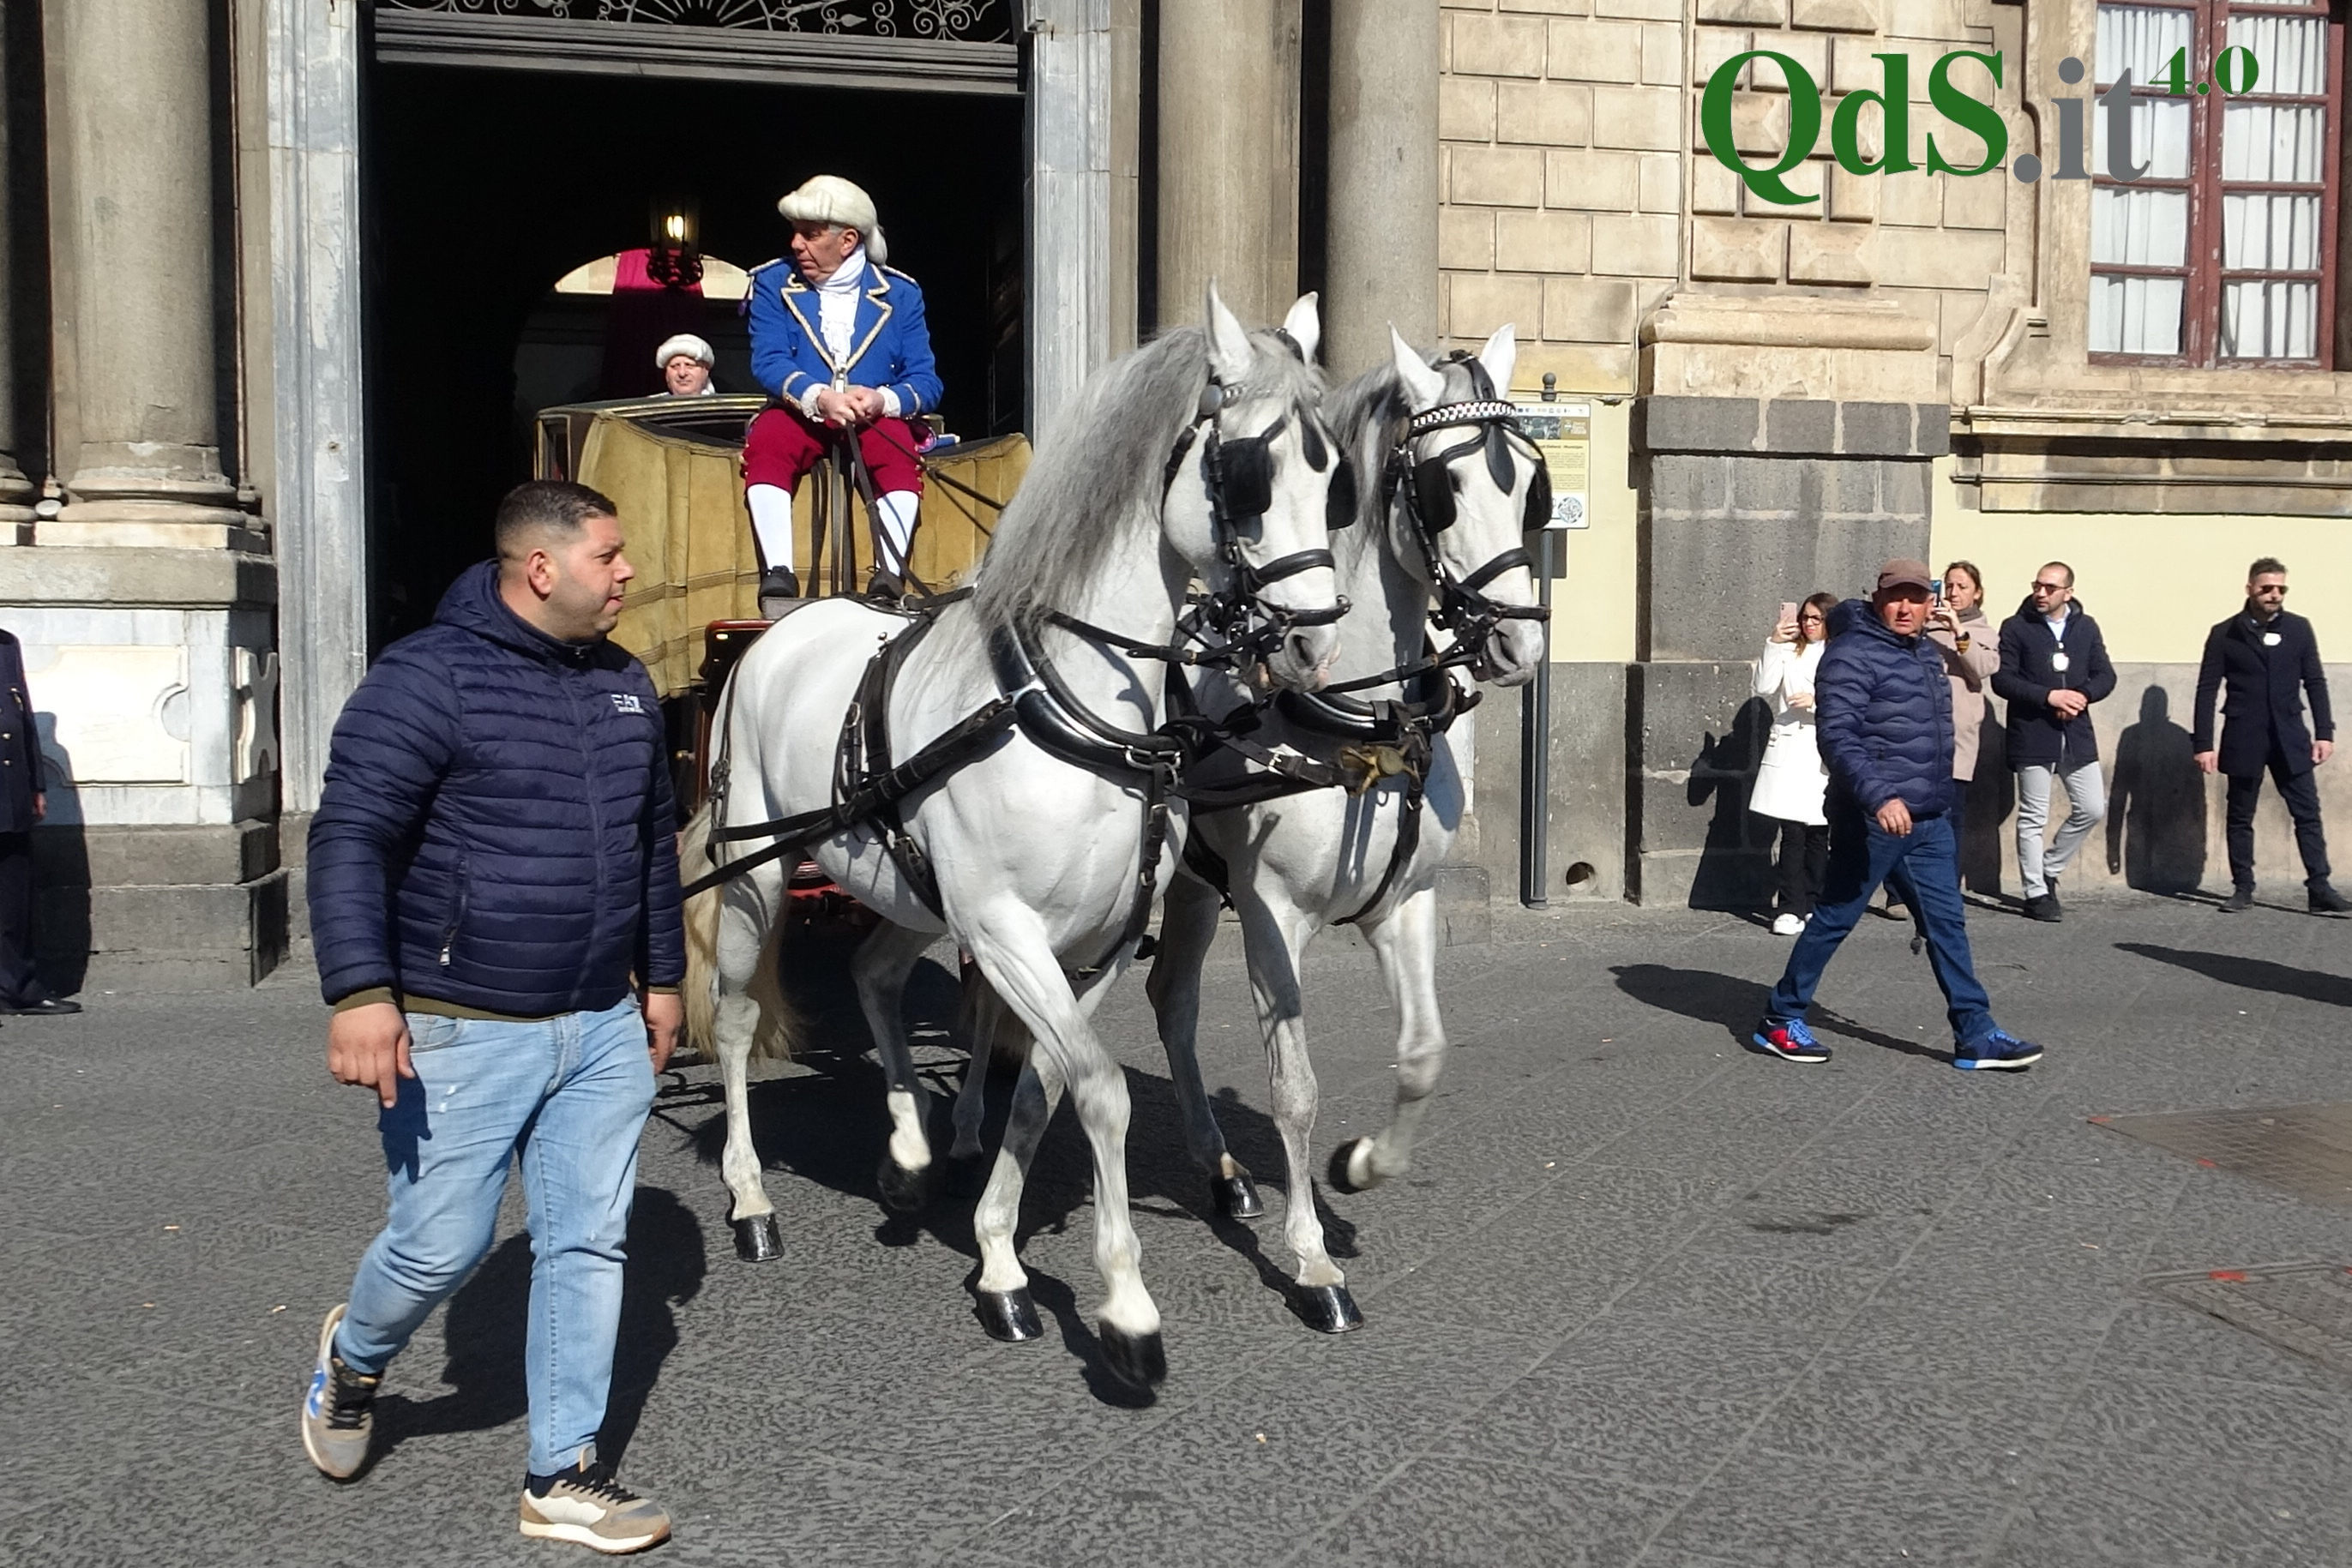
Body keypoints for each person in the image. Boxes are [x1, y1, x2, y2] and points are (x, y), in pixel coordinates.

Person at [302, 480, 683, 1554]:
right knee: (439, 1246)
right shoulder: (425, 677)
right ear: (540, 568)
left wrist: (661, 983)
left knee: (587, 1240)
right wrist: (361, 991)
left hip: (600, 1022)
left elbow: (654, 843)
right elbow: (349, 840)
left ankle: (560, 1473)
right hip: (462, 1023)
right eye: (608, 556)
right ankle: (354, 1362)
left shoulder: (625, 682)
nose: (626, 574)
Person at [1751, 559, 2043, 1072]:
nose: (1905, 607)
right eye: (1895, 598)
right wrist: (1880, 797)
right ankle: (1781, 1017)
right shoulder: (1852, 655)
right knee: (1836, 918)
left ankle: (1975, 1034)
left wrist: (1935, 798)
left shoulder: (1925, 654)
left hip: (1928, 818)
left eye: (1916, 597)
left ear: (1930, 603)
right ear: (1877, 599)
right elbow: (1838, 735)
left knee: (1947, 924)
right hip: (1875, 818)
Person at [743, 174, 941, 602]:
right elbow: (769, 360)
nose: (797, 244)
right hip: (802, 413)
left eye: (810, 235)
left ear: (848, 240)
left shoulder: (902, 294)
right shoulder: (772, 283)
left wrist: (881, 400)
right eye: (796, 233)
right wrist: (820, 397)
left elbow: (925, 381)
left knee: (896, 450)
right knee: (770, 440)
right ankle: (778, 574)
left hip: (872, 419)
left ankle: (889, 576)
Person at [2193, 556, 2347, 915]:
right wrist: (2203, 743)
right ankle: (2242, 887)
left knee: (2307, 812)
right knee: (2240, 815)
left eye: (2280, 589)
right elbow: (2207, 690)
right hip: (2244, 735)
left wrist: (2324, 732)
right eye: (2267, 588)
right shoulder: (2225, 633)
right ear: (2250, 589)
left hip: (2290, 736)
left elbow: (2315, 681)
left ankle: (2319, 887)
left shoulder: (2299, 629)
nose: (2274, 595)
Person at [1993, 561, 2114, 923]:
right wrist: (2049, 697)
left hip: (2076, 735)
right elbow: (2003, 680)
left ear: (2068, 593)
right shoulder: (2016, 627)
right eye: (2037, 585)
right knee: (2033, 815)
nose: (2041, 593)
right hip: (2033, 733)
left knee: (2092, 807)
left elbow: (2105, 674)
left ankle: (2049, 866)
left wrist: (2081, 695)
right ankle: (2036, 893)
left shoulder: (2086, 627)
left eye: (2050, 587)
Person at [1886, 562, 2000, 943]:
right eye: (1948, 585)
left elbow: (1983, 668)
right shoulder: (1920, 627)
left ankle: (1944, 895)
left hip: (1957, 742)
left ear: (1976, 593)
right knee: (1905, 813)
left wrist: (1956, 629)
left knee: (1949, 821)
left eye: (1962, 586)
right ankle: (1898, 892)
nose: (1953, 592)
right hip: (1917, 737)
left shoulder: (1981, 632)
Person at [0, 624, 78, 1016]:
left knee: (13, 899)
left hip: (8, 792)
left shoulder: (6, 643)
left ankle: (17, 988)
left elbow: (22, 717)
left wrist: (35, 784)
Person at [1751, 593, 1837, 935]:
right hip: (1791, 746)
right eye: (1805, 618)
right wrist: (1773, 643)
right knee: (1792, 831)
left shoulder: (1839, 653)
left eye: (1816, 619)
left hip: (1822, 746)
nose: (1808, 625)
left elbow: (1853, 694)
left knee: (1819, 831)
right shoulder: (1788, 650)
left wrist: (1818, 701)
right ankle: (1789, 907)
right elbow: (1763, 686)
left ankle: (1815, 901)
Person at [655, 333, 715, 397]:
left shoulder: (720, 405)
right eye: (675, 366)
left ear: (705, 370)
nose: (682, 373)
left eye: (689, 365)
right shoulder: (652, 405)